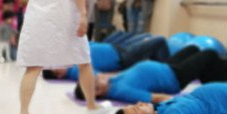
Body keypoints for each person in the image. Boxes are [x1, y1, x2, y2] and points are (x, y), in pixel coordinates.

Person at [74, 45, 227, 103]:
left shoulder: (111, 83)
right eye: (95, 81)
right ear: (97, 91)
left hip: (165, 66)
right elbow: (155, 98)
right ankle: (224, 88)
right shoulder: (122, 92)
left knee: (193, 49)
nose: (97, 77)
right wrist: (186, 103)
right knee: (209, 54)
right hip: (174, 77)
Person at [42, 35, 170, 80]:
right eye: (57, 69)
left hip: (116, 47)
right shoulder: (76, 71)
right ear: (59, 75)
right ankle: (168, 72)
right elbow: (100, 77)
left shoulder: (70, 61)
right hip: (123, 56)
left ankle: (158, 68)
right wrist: (121, 73)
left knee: (147, 37)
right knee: (159, 41)